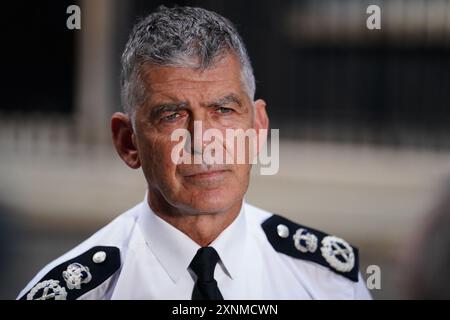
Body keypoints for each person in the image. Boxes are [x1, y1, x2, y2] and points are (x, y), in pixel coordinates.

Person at [18, 6, 371, 300]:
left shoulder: (328, 282)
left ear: (259, 127)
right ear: (128, 142)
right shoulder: (80, 291)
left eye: (224, 110)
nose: (202, 141)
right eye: (172, 115)